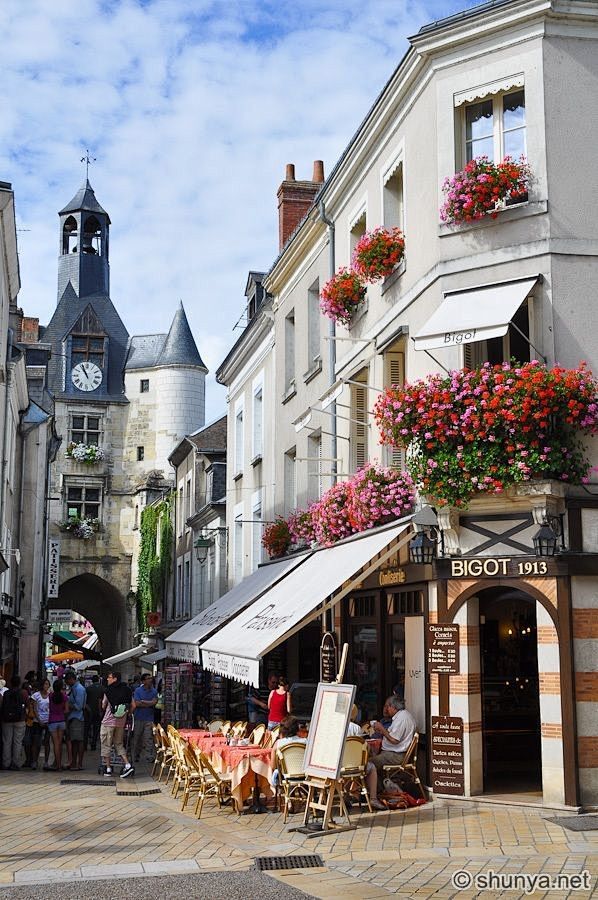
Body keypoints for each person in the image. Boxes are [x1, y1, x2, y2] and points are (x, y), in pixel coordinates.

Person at [365, 695, 416, 809]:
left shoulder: (402, 718)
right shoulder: (400, 717)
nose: (386, 709)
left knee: (369, 764)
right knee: (370, 760)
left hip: (396, 755)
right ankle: (377, 792)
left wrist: (382, 729)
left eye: (388, 706)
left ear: (393, 707)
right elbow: (393, 735)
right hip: (391, 752)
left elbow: (394, 740)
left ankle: (374, 795)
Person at [100, 671, 134, 778]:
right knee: (119, 744)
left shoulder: (108, 691)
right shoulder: (127, 690)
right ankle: (128, 765)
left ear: (115, 679)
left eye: (109, 677)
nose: (107, 679)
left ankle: (108, 769)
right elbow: (134, 705)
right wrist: (128, 713)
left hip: (108, 722)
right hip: (121, 722)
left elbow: (103, 705)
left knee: (106, 744)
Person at [270, 715, 307, 787]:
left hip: (286, 777)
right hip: (305, 776)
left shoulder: (278, 744)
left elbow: (273, 766)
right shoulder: (305, 742)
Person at [1, 675, 27, 769]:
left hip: (7, 720)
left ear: (10, 682)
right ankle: (16, 763)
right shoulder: (23, 692)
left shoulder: (6, 693)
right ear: (19, 683)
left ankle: (6, 763)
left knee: (7, 742)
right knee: (17, 742)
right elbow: (26, 704)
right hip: (19, 720)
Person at [131, 673, 157, 763]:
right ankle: (135, 755)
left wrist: (143, 702)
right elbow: (137, 703)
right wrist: (149, 703)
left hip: (149, 717)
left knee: (148, 737)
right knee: (137, 737)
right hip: (139, 717)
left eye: (150, 678)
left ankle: (149, 756)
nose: (150, 680)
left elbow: (154, 703)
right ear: (143, 681)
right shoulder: (138, 690)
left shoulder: (154, 691)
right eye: (148, 678)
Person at [65, 671, 87, 770]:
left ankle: (78, 763)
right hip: (73, 718)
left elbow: (78, 706)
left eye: (67, 681)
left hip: (77, 718)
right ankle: (74, 762)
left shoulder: (79, 689)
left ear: (71, 679)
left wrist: (67, 705)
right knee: (74, 741)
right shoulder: (74, 689)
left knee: (77, 741)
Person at [30, 678, 51, 770]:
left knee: (47, 742)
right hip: (37, 721)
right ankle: (34, 761)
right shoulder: (36, 695)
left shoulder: (50, 695)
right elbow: (34, 709)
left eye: (48, 684)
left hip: (48, 721)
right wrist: (39, 720)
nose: (46, 686)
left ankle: (46, 762)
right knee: (36, 742)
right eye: (45, 684)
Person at [47, 678, 69, 771]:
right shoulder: (64, 696)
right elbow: (67, 710)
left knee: (55, 744)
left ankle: (57, 764)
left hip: (52, 721)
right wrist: (61, 712)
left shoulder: (50, 696)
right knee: (59, 743)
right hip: (62, 721)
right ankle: (59, 764)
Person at [85, 675, 104, 751]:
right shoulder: (103, 688)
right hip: (98, 711)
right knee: (96, 729)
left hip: (89, 711)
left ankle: (85, 745)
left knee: (87, 728)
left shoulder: (88, 689)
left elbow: (85, 700)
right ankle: (93, 745)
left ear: (92, 681)